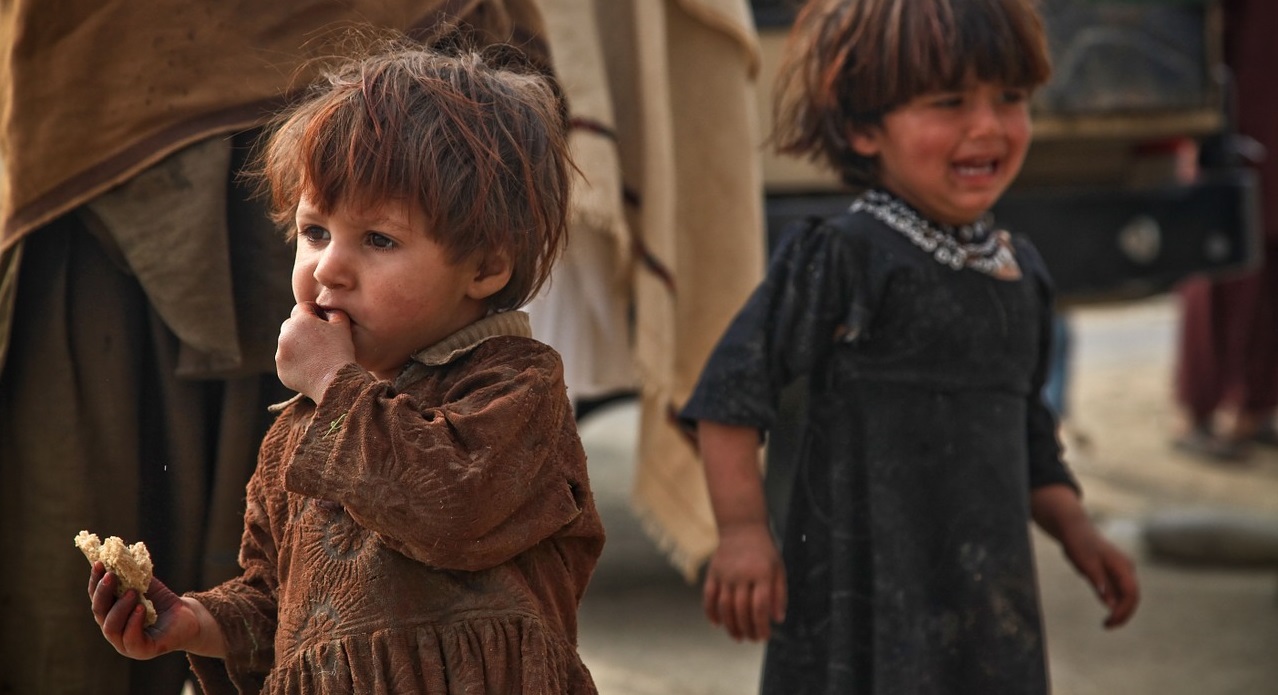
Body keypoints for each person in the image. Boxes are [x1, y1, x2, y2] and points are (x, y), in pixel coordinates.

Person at [0, 4, 547, 694]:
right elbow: (280, 600)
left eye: (379, 240)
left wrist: (337, 386)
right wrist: (199, 620)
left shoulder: (513, 391)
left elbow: (452, 511)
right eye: (314, 233)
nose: (328, 268)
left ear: (486, 267)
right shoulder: (303, 421)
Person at [678, 0, 1140, 692]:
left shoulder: (1021, 272)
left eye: (1010, 98)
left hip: (985, 600)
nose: (987, 126)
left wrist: (1078, 532)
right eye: (950, 103)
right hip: (859, 599)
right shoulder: (840, 257)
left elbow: (1028, 428)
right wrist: (743, 533)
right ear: (863, 128)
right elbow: (729, 396)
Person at [1172, 0, 1278, 462]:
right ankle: (1201, 408)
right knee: (1223, 264)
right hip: (1241, 126)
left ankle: (1256, 404)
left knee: (1268, 272)